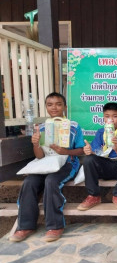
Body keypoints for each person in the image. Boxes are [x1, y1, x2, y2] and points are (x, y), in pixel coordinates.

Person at [9, 92, 85, 242]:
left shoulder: (73, 126)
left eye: (58, 104)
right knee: (30, 182)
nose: (54, 108)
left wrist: (66, 151)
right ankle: (25, 226)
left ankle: (55, 226)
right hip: (45, 163)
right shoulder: (42, 128)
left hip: (68, 163)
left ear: (65, 106)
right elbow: (39, 156)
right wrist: (36, 144)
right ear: (46, 107)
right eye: (50, 105)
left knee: (51, 181)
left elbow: (81, 149)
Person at [77, 102, 117, 211]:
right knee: (89, 159)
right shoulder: (101, 132)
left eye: (115, 116)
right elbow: (97, 152)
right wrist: (89, 151)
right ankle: (93, 196)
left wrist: (116, 148)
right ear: (103, 118)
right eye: (107, 116)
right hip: (104, 166)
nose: (111, 120)